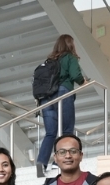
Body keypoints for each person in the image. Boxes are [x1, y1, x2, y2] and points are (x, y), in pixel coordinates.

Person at [36, 34, 86, 174]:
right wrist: (83, 82)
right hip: (63, 94)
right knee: (67, 130)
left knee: (50, 133)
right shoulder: (70, 57)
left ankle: (40, 164)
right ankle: (57, 163)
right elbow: (75, 75)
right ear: (70, 44)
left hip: (46, 98)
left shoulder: (49, 61)